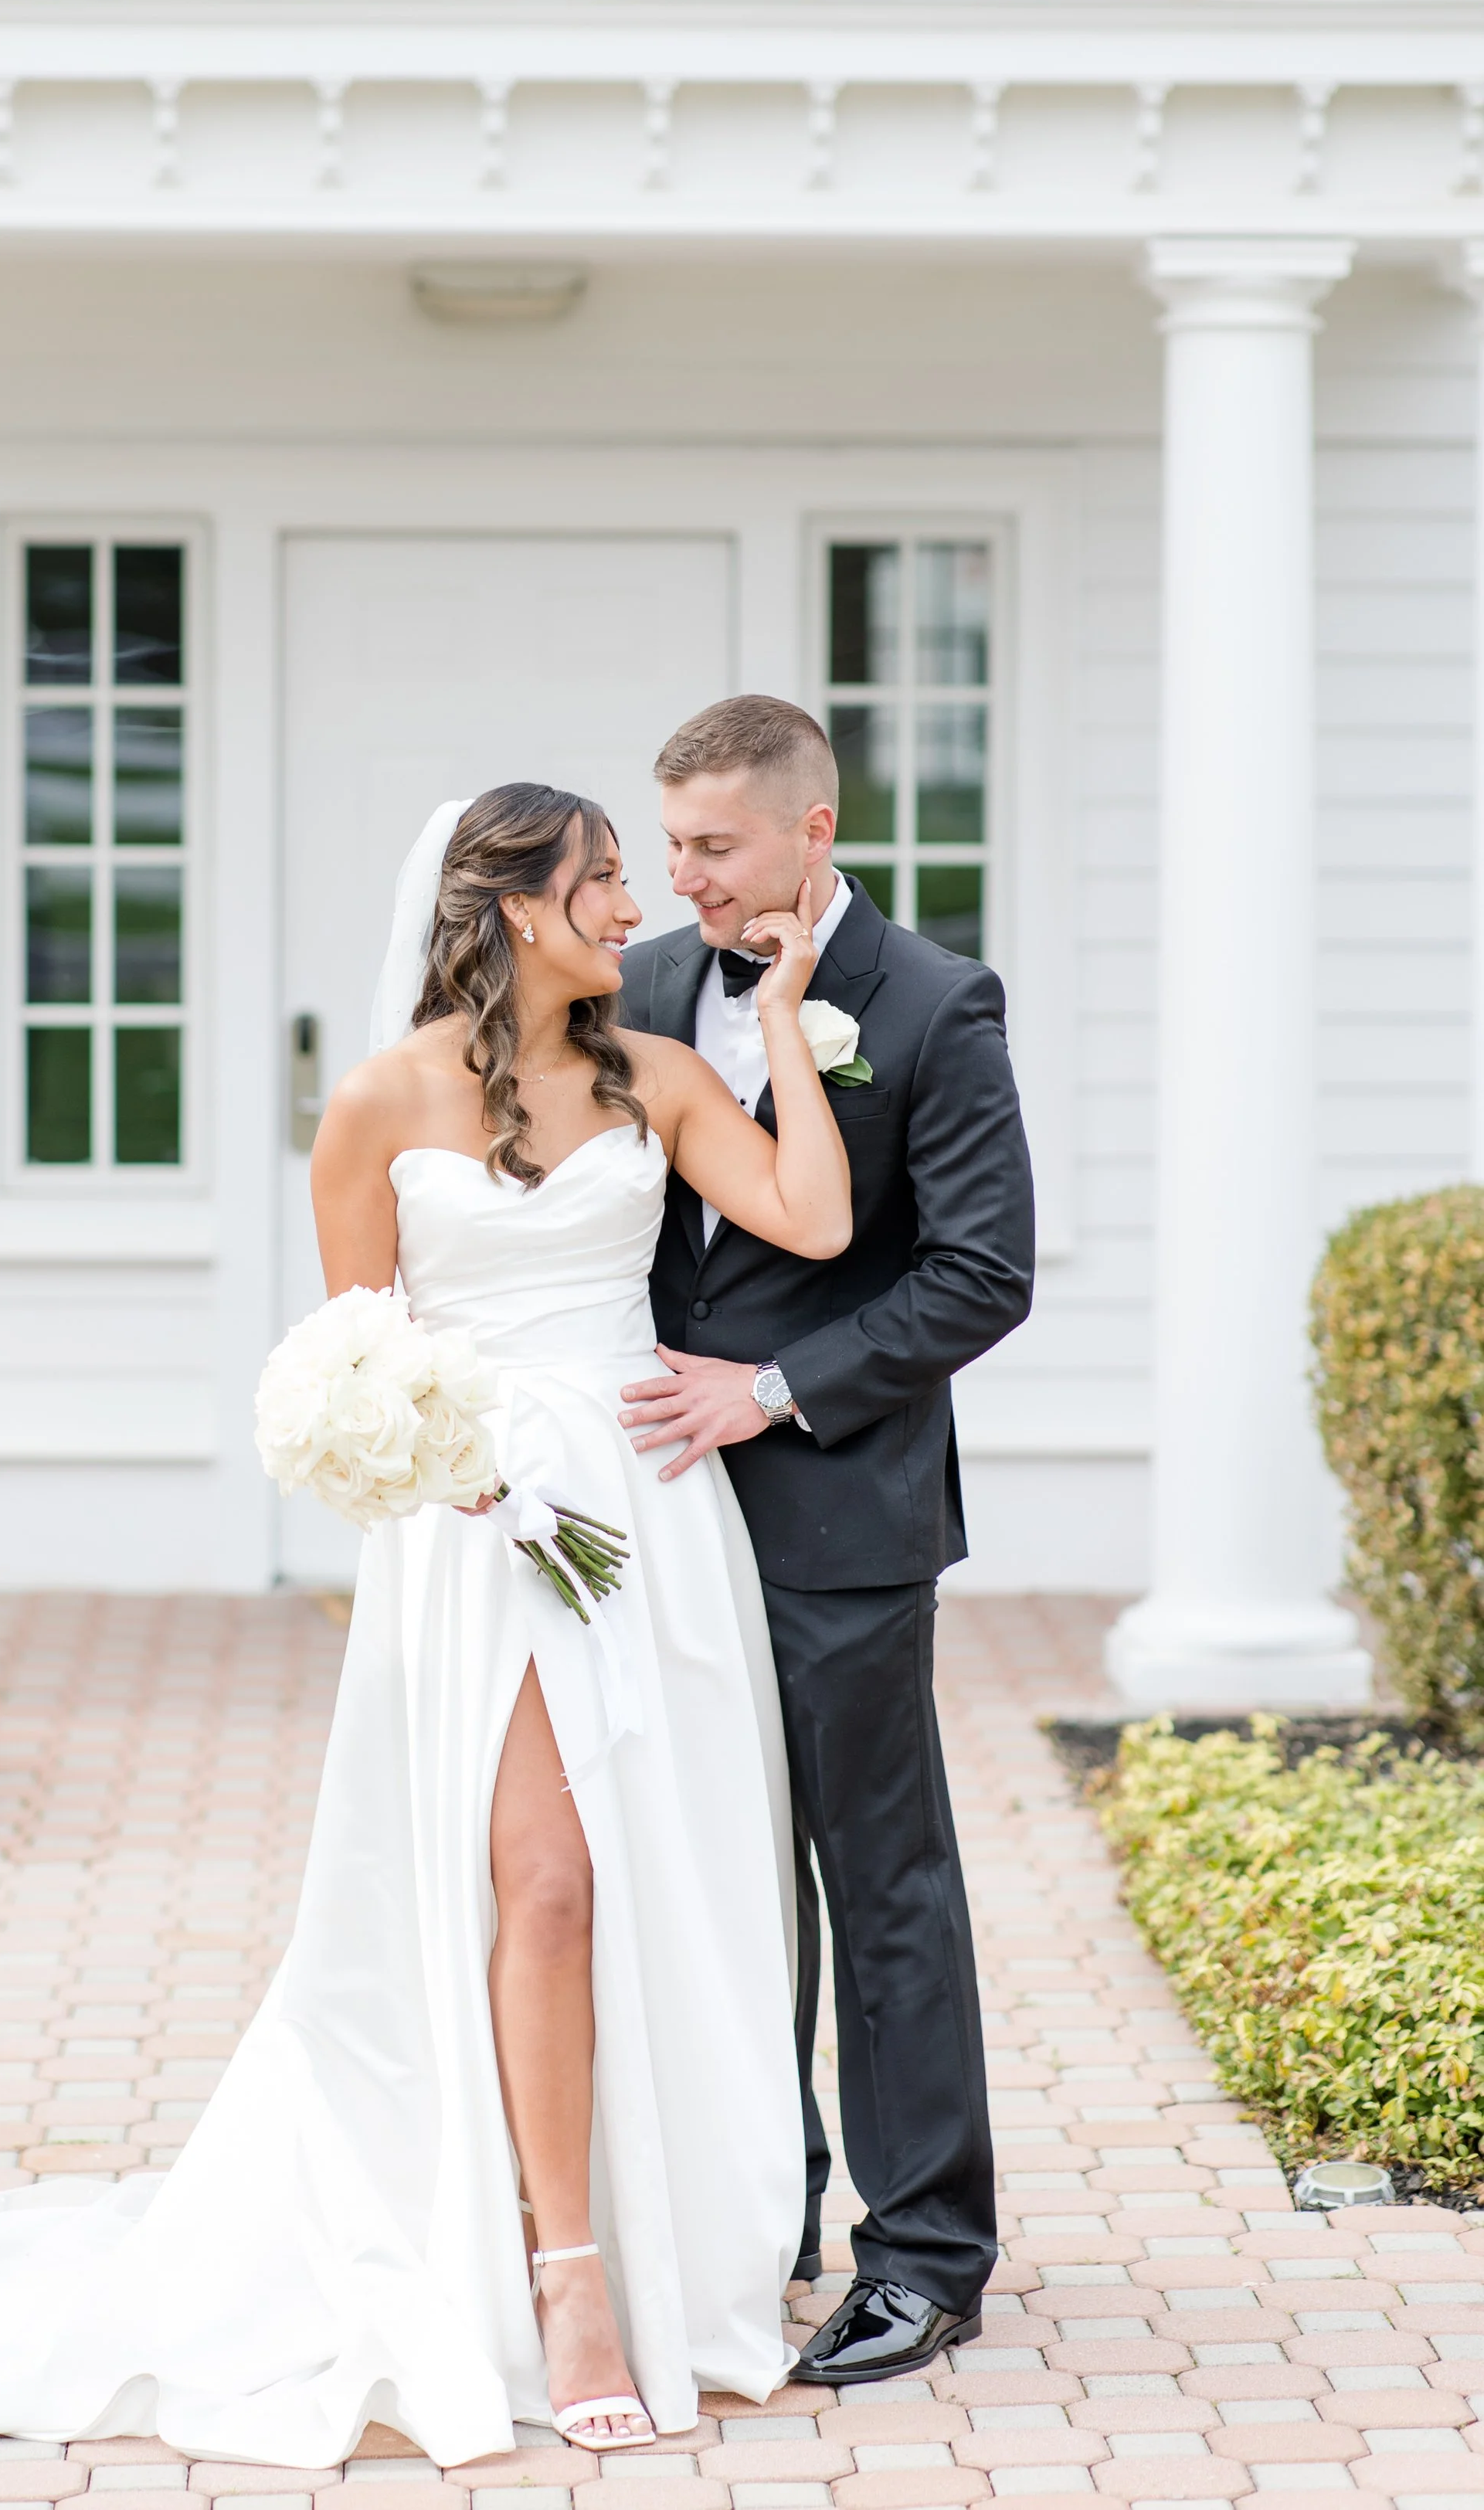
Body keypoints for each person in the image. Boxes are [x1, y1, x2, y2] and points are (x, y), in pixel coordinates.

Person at [0, 781, 852, 2472]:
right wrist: (446, 1473)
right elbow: (356, 1352)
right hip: (483, 1531)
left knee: (654, 1877)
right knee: (544, 1882)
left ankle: (655, 2242)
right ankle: (564, 2275)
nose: (631, 909)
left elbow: (815, 1216)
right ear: (516, 906)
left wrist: (785, 1020)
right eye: (599, 882)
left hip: (646, 1515)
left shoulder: (654, 1076)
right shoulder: (376, 1103)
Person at [617, 695, 1035, 2389]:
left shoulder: (932, 1003)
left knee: (877, 1880)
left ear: (812, 829)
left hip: (839, 1515)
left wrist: (775, 1391)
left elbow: (981, 1274)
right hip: (655, 1512)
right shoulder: (640, 985)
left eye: (714, 847)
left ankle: (924, 2254)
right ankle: (757, 2209)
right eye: (670, 848)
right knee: (712, 1872)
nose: (685, 881)